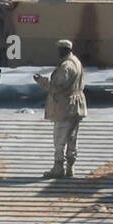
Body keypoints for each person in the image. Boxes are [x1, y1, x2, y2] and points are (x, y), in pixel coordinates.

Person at [34, 39, 86, 179]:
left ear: (64, 50)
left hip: (64, 106)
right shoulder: (76, 61)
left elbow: (57, 87)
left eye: (60, 50)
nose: (58, 52)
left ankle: (58, 168)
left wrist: (42, 82)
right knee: (72, 138)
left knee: (60, 138)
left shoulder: (66, 67)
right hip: (75, 105)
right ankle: (70, 167)